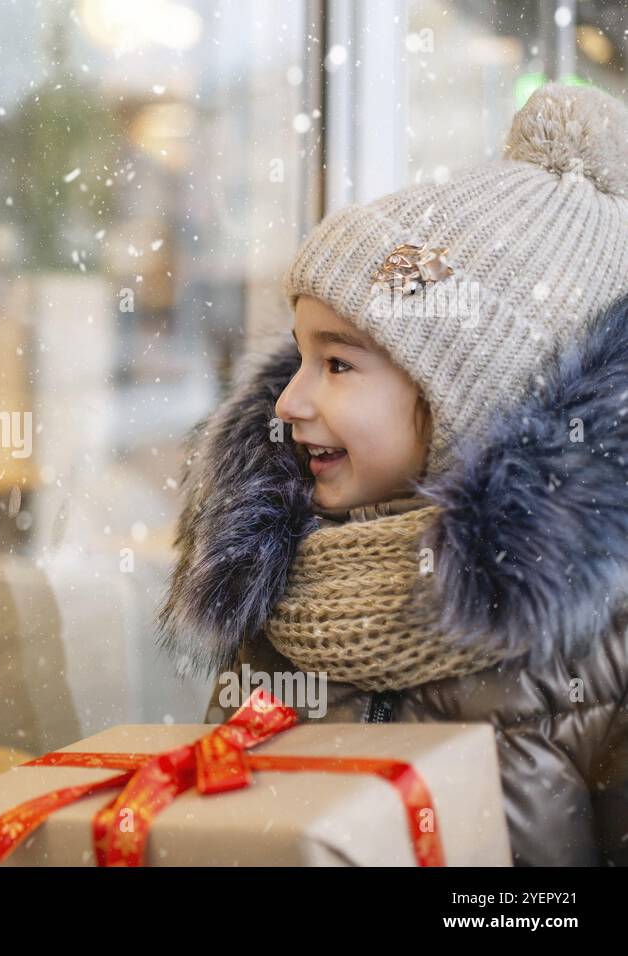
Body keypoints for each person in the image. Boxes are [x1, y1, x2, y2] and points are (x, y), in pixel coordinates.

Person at [158, 82, 628, 866]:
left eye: (338, 363)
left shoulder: (597, 639)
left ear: (472, 393)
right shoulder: (283, 596)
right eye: (301, 357)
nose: (290, 400)